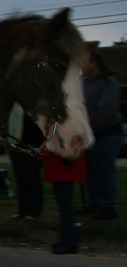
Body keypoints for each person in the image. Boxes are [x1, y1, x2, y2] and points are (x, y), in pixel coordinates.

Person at [81, 51, 121, 221]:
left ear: (94, 63)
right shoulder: (82, 83)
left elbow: (106, 110)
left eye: (84, 61)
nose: (81, 64)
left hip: (106, 134)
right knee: (90, 173)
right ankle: (95, 204)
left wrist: (88, 129)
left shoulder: (108, 82)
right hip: (89, 135)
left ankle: (109, 207)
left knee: (104, 172)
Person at [42, 151, 87, 255]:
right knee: (64, 204)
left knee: (65, 204)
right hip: (60, 163)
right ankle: (68, 239)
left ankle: (70, 242)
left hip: (63, 164)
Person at [6, 103, 44, 220]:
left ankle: (34, 210)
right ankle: (23, 209)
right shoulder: (13, 103)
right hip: (14, 143)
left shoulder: (32, 103)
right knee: (20, 177)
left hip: (29, 143)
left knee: (32, 176)